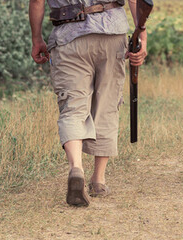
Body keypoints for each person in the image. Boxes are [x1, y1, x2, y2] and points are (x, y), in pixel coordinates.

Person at [29, 0, 148, 207]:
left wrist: (36, 39)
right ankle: (98, 180)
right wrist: (142, 37)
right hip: (112, 33)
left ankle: (77, 169)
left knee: (72, 107)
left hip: (68, 36)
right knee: (107, 104)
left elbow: (37, 1)